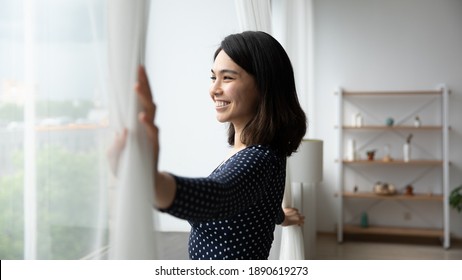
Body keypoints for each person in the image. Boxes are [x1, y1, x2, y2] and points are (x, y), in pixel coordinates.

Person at [109, 31, 307, 260]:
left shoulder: (258, 159)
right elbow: (257, 202)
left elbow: (218, 195)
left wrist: (151, 181)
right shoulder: (264, 151)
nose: (214, 90)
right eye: (213, 77)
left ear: (264, 85)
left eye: (228, 78)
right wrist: (281, 216)